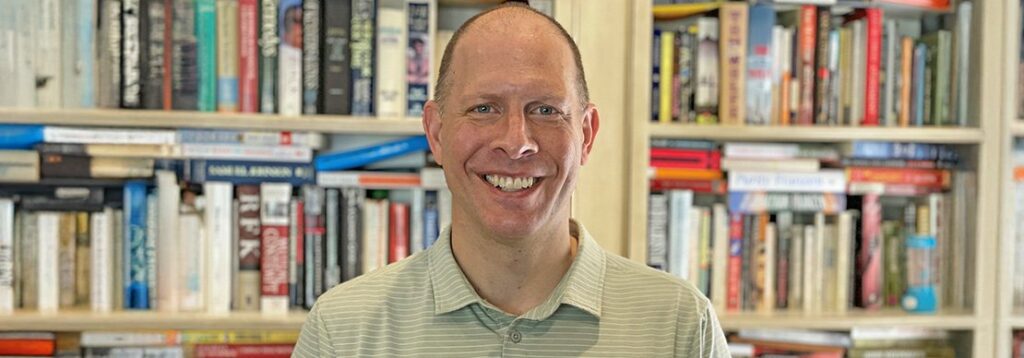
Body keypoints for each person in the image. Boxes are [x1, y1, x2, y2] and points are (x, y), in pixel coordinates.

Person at [292, 2, 730, 356]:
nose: (516, 142)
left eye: (545, 110)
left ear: (586, 133)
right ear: (437, 133)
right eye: (484, 108)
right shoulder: (342, 332)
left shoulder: (680, 325)